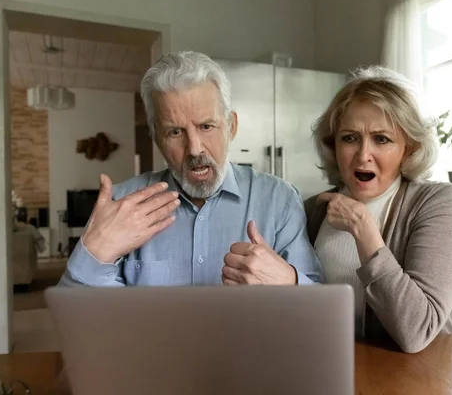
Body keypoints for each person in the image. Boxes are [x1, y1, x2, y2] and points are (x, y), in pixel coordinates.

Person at [59, 51, 322, 287]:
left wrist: (289, 283)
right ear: (156, 137)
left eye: (206, 126)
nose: (195, 149)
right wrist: (94, 253)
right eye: (175, 132)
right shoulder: (122, 203)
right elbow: (75, 319)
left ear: (231, 126)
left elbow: (320, 309)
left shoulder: (280, 199)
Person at [304, 66, 452, 353]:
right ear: (334, 145)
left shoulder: (438, 202)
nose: (363, 155)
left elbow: (417, 331)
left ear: (408, 148)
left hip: (420, 379)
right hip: (338, 369)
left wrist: (363, 230)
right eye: (350, 138)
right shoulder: (313, 210)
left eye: (382, 139)